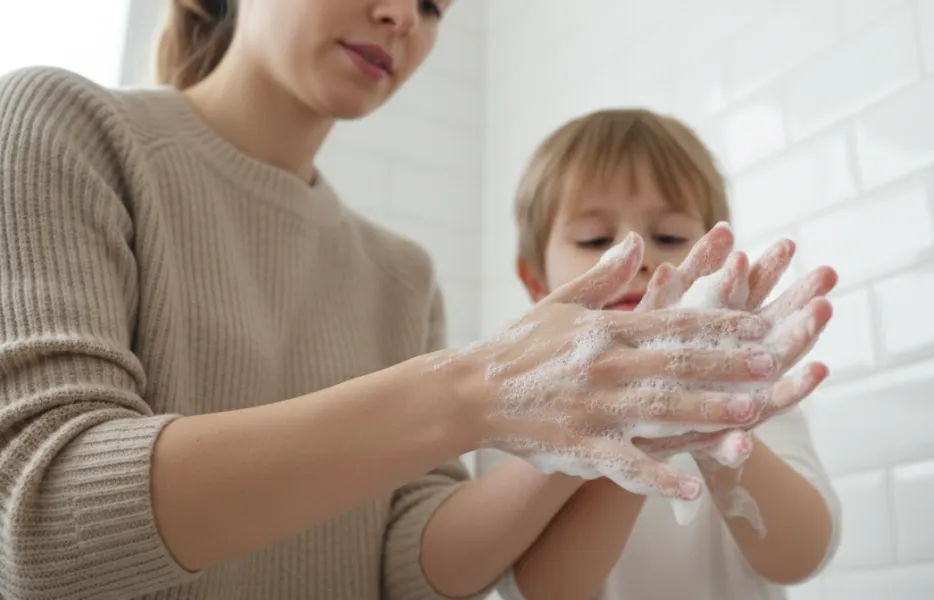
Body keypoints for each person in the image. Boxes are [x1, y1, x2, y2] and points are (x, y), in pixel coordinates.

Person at [0, 1, 831, 599]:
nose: (404, 15)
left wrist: (591, 422)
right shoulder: (64, 125)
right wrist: (477, 391)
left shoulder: (402, 274)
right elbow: (37, 530)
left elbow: (411, 569)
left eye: (435, 2)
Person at [479, 108, 843, 600]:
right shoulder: (514, 404)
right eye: (595, 239)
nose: (637, 256)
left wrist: (720, 430)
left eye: (669, 237)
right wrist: (639, 434)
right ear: (535, 281)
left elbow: (799, 557)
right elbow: (545, 591)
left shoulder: (743, 379)